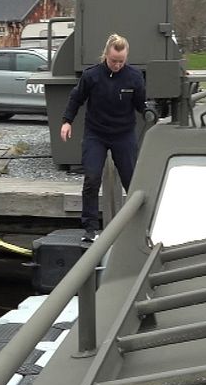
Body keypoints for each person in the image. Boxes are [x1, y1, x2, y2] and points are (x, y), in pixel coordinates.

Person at [60, 33, 147, 241]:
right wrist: (66, 121)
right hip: (96, 134)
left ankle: (142, 225)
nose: (117, 65)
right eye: (113, 61)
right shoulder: (92, 75)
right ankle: (89, 228)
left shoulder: (134, 77)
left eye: (121, 61)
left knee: (132, 181)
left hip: (123, 134)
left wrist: (154, 114)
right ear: (105, 56)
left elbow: (142, 105)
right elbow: (76, 98)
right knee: (91, 178)